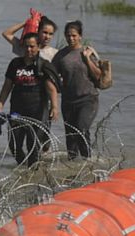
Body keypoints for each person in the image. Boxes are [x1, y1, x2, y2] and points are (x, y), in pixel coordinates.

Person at [0, 33, 60, 167]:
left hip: (38, 113)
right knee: (15, 146)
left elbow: (52, 89)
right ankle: (23, 170)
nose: (29, 50)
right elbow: (7, 87)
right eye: (26, 46)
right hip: (17, 111)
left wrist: (54, 107)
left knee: (32, 146)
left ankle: (32, 173)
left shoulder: (43, 66)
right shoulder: (15, 64)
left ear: (39, 47)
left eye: (32, 46)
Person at [52, 20, 101, 160]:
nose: (71, 38)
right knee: (71, 136)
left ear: (80, 36)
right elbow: (51, 75)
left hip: (88, 99)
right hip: (68, 101)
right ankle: (73, 166)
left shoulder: (88, 52)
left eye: (74, 35)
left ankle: (88, 161)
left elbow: (98, 75)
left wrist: (87, 59)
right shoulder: (61, 55)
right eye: (68, 35)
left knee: (81, 128)